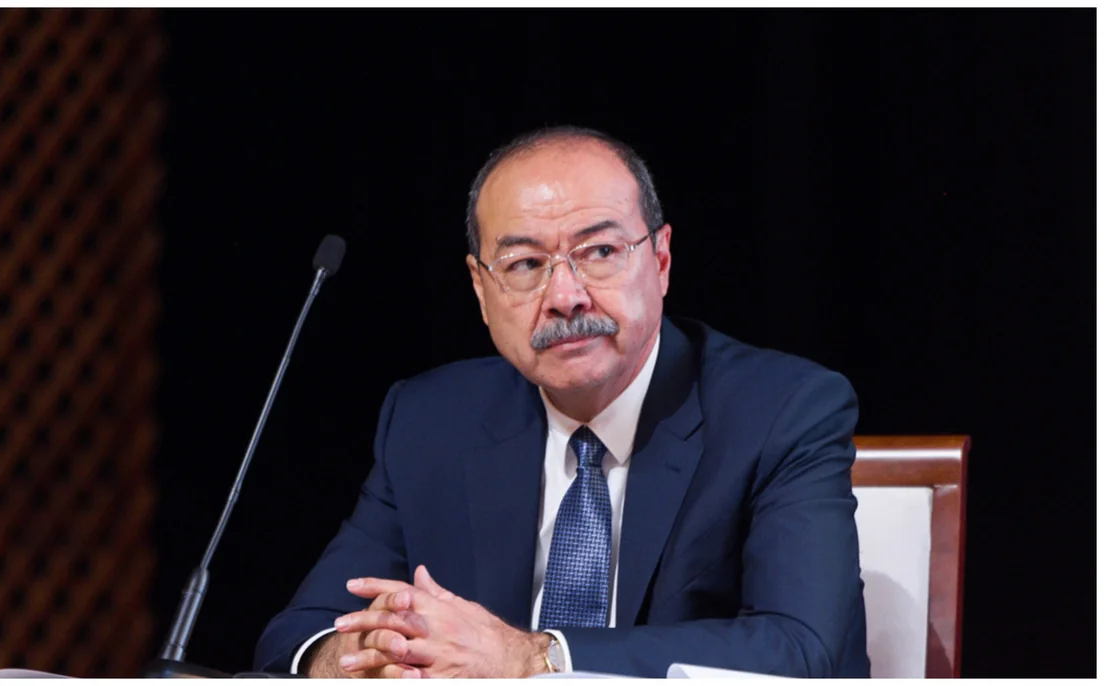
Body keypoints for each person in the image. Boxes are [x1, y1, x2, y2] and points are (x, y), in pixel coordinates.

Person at [253, 126, 869, 678]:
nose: (565, 296)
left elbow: (801, 649)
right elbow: (299, 634)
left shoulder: (781, 411)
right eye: (525, 264)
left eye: (599, 253)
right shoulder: (431, 420)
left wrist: (535, 658)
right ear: (481, 289)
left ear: (660, 260)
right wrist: (359, 660)